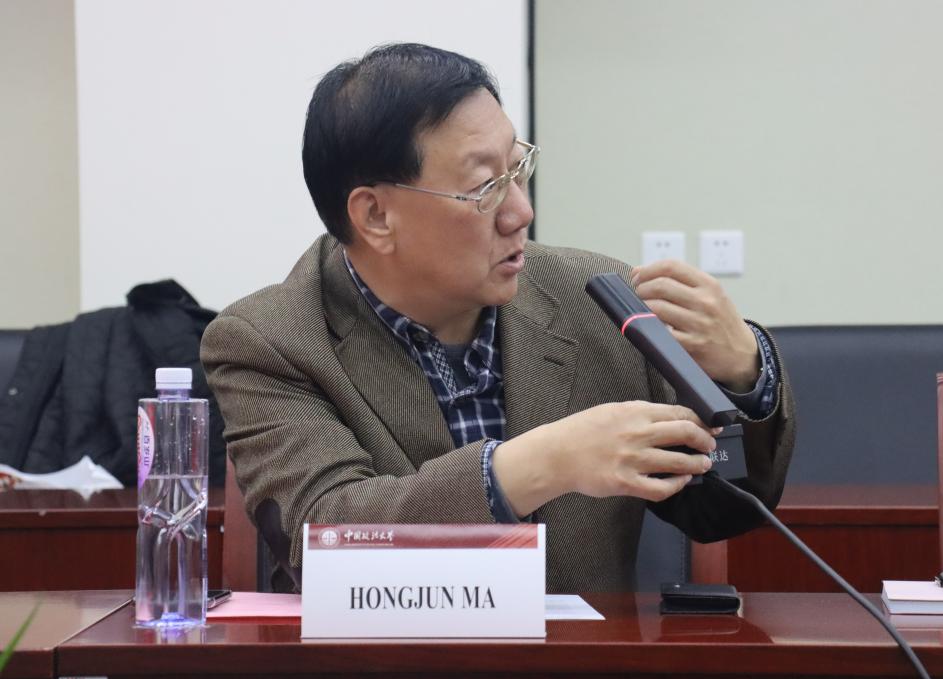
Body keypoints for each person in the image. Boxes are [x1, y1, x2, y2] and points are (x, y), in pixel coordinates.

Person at [201, 43, 795, 593]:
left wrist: (743, 376)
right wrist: (542, 463)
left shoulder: (599, 300)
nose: (521, 211)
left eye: (518, 168)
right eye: (486, 187)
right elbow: (327, 539)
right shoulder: (270, 340)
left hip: (579, 658)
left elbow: (721, 509)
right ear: (376, 216)